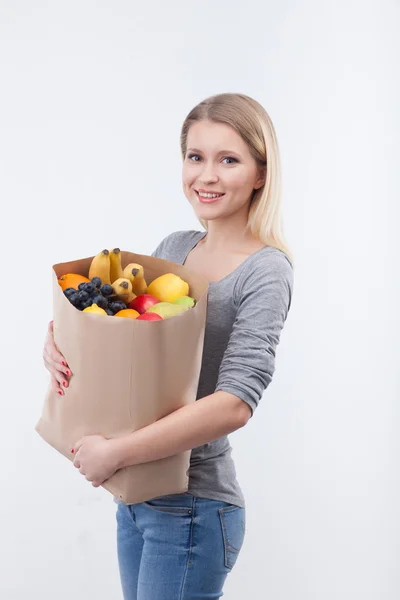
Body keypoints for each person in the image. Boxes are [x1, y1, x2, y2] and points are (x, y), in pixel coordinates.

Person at [42, 92, 294, 600]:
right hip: (136, 497)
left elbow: (234, 404)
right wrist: (56, 344)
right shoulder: (176, 248)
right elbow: (127, 342)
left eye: (229, 160)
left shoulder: (267, 270)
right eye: (196, 157)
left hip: (194, 507)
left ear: (261, 173)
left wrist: (115, 452)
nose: (207, 176)